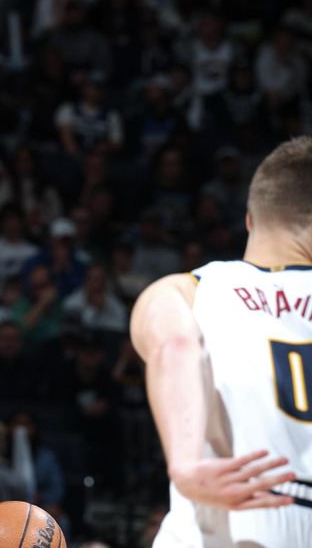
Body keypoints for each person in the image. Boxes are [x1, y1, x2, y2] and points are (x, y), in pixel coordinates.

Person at [130, 137, 312, 546]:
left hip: (232, 514)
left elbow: (176, 346)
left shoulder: (187, 289)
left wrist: (185, 465)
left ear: (250, 219)